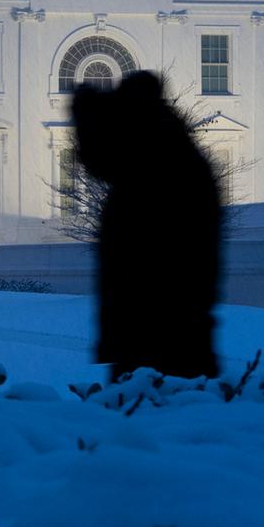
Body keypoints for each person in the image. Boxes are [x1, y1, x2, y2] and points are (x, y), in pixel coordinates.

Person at [71, 71, 222, 379]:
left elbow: (101, 159)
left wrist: (88, 119)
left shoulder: (150, 170)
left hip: (156, 335)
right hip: (166, 332)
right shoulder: (168, 156)